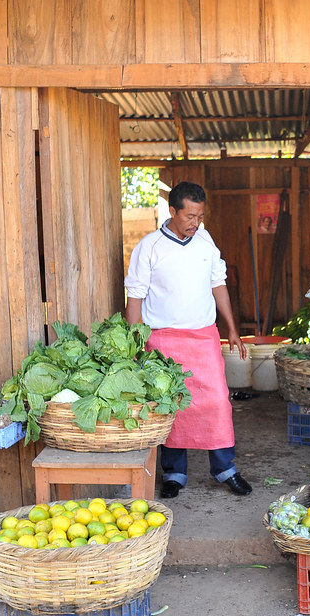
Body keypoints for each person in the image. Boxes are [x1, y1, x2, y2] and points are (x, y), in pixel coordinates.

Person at [124, 182, 252, 498]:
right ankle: (174, 474)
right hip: (162, 341)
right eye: (190, 216)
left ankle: (226, 469)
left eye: (200, 216)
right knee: (171, 408)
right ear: (173, 211)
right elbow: (135, 297)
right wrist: (134, 343)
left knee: (217, 403)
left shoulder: (205, 242)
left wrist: (232, 328)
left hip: (203, 338)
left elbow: (218, 284)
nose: (195, 223)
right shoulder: (149, 246)